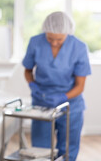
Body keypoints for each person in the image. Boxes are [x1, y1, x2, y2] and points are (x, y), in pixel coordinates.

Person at [22, 11, 91, 161]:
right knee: (41, 148)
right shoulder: (35, 42)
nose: (54, 43)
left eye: (59, 39)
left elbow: (80, 86)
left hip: (70, 104)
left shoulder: (79, 47)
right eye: (50, 38)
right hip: (42, 101)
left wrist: (63, 97)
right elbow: (27, 70)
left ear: (68, 33)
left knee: (67, 147)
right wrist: (33, 85)